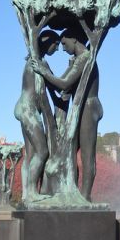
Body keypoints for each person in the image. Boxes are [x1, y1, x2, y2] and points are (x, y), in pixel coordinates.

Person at [31, 27, 103, 201]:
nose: (63, 48)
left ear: (74, 40)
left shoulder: (85, 58)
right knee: (70, 151)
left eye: (64, 43)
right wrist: (46, 74)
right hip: (81, 108)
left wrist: (44, 71)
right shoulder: (78, 60)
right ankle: (72, 191)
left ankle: (85, 197)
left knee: (86, 154)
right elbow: (61, 84)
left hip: (88, 107)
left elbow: (64, 84)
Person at [15, 30, 60, 201]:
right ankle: (32, 191)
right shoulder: (37, 61)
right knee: (42, 151)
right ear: (48, 43)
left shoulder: (35, 62)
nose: (56, 49)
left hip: (24, 107)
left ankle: (26, 195)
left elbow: (49, 88)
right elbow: (53, 85)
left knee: (31, 153)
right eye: (55, 45)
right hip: (28, 109)